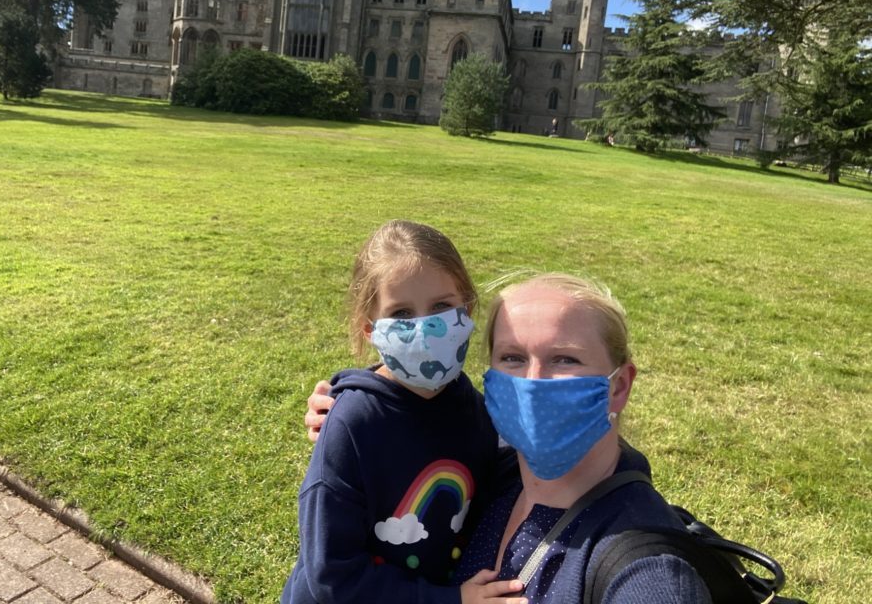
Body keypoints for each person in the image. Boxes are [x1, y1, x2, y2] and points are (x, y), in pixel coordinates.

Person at [306, 273, 712, 603]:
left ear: (618, 386)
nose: (533, 384)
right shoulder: (498, 465)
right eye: (513, 358)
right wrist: (351, 406)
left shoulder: (649, 570)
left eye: (565, 359)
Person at [283, 220, 527, 604]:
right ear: (370, 329)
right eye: (400, 315)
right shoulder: (352, 424)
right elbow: (331, 577)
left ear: (467, 309)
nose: (424, 328)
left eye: (442, 307)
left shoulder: (474, 409)